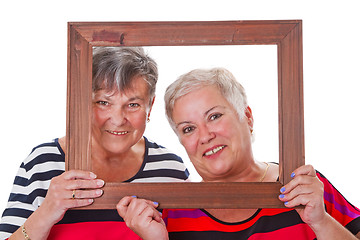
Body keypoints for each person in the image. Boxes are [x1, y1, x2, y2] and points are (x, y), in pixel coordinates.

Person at [117, 67, 360, 239]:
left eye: (214, 116)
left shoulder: (303, 187)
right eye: (189, 128)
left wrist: (320, 222)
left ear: (248, 117)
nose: (205, 136)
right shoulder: (172, 216)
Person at [0, 47, 189, 240]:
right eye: (103, 102)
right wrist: (46, 213)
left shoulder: (171, 169)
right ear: (84, 103)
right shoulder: (43, 162)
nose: (118, 119)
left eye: (133, 105)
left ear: (150, 107)